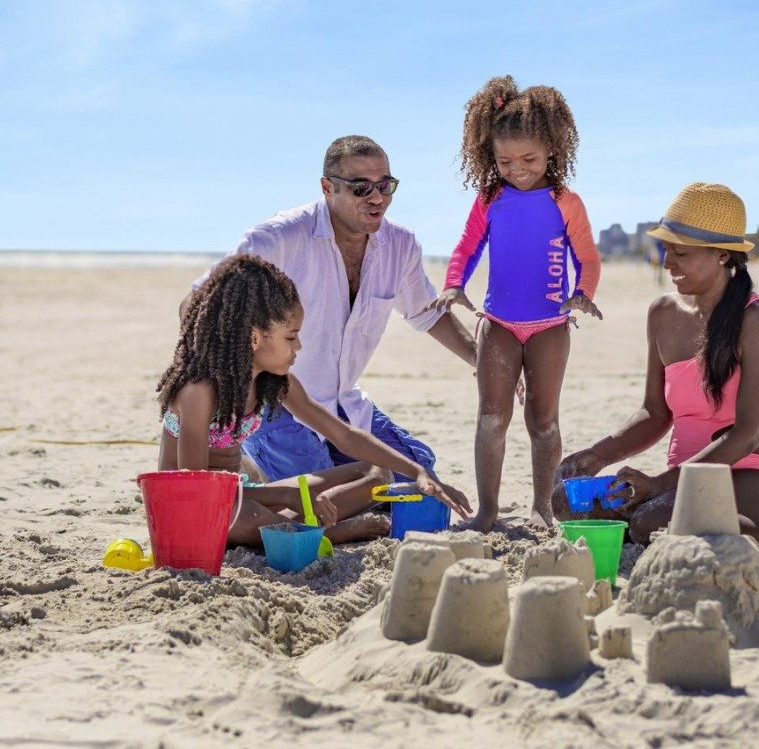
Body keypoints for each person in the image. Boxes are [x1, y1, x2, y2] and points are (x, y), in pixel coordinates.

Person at [556, 182, 759, 561]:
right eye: (666, 249)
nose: (667, 262)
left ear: (722, 254)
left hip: (751, 475)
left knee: (650, 520)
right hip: (677, 485)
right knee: (568, 502)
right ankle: (667, 515)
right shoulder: (662, 314)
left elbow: (747, 436)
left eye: (680, 253)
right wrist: (596, 455)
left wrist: (656, 485)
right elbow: (655, 413)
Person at [183, 135, 477, 483]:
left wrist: (483, 362)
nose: (377, 198)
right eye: (360, 188)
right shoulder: (278, 237)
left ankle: (303, 469)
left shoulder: (401, 245)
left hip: (341, 405)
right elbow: (199, 302)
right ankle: (255, 462)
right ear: (328, 187)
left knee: (417, 478)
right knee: (318, 490)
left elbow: (428, 313)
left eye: (386, 185)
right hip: (272, 402)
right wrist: (230, 382)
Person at [159, 253, 472, 546]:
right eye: (291, 337)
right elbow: (196, 489)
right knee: (244, 516)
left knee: (376, 474)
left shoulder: (275, 383)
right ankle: (324, 532)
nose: (299, 347)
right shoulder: (199, 391)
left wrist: (419, 472)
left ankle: (296, 530)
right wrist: (284, 497)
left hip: (244, 495)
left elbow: (345, 435)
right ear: (255, 337)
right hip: (196, 507)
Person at [424, 77, 601, 532]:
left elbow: (587, 256)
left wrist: (583, 293)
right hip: (498, 323)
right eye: (505, 160)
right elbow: (466, 248)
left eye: (529, 159)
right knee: (491, 417)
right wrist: (452, 284)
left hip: (550, 327)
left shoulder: (566, 201)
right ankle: (487, 512)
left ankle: (542, 507)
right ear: (490, 157)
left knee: (542, 421)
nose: (517, 169)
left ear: (552, 152)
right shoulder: (490, 198)